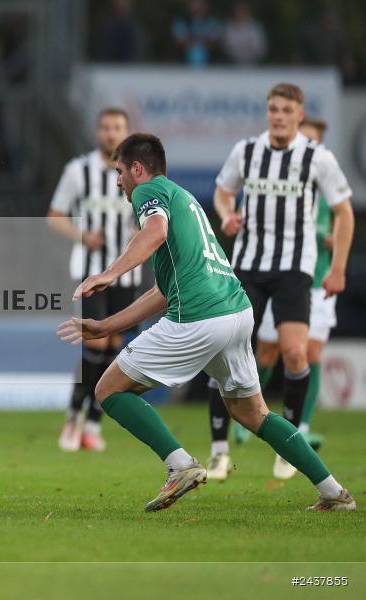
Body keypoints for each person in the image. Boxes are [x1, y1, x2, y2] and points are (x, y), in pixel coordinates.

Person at [58, 133, 356, 512]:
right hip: (236, 313)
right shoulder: (186, 200)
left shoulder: (147, 193)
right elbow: (164, 292)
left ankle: (180, 465)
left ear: (137, 169)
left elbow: (155, 232)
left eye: (119, 171)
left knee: (108, 390)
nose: (118, 181)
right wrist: (106, 325)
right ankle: (334, 492)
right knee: (253, 413)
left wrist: (109, 274)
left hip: (198, 318)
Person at [207, 83, 354, 481]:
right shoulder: (247, 151)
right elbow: (223, 193)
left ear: (299, 116)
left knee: (294, 352)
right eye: (273, 109)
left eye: (287, 110)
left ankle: (289, 446)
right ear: (267, 112)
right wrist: (227, 214)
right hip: (250, 265)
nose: (279, 116)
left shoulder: (317, 158)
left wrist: (338, 266)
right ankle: (219, 450)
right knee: (227, 349)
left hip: (295, 268)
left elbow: (344, 212)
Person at [231, 117, 337, 453]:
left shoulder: (325, 187)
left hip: (317, 281)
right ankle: (249, 413)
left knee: (309, 353)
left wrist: (335, 249)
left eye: (314, 143)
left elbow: (336, 222)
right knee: (267, 351)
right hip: (277, 277)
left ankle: (301, 426)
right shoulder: (269, 183)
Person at [48, 107, 139, 452]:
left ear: (127, 131)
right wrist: (84, 237)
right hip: (90, 271)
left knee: (116, 348)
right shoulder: (78, 170)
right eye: (105, 127)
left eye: (118, 127)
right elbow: (54, 216)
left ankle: (93, 424)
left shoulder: (137, 172)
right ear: (97, 131)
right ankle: (73, 417)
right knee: (96, 344)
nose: (111, 133)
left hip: (127, 272)